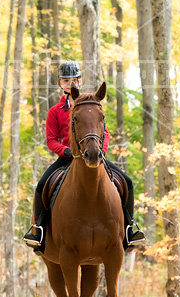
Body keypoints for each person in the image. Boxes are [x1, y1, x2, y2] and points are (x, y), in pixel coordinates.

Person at [23, 60, 145, 254]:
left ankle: (130, 228)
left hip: (95, 155)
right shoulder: (55, 112)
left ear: (79, 81)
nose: (70, 84)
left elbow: (104, 133)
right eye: (65, 80)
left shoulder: (91, 105)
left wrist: (102, 151)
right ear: (60, 84)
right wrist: (66, 151)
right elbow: (51, 140)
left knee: (127, 182)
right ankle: (38, 231)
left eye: (73, 80)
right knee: (41, 186)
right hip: (67, 158)